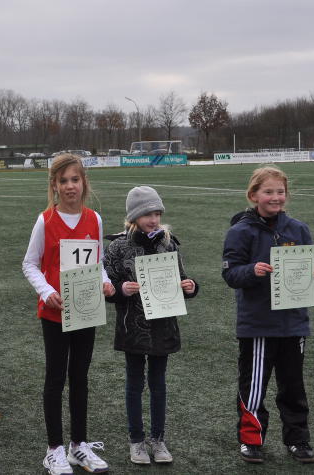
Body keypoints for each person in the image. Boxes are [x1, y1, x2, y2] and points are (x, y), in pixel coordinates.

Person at [222, 166, 314, 464]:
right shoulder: (240, 231)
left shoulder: (298, 228)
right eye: (268, 192)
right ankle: (251, 440)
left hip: (293, 323)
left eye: (280, 192)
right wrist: (251, 271)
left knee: (293, 387)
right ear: (254, 195)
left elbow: (310, 262)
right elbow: (230, 273)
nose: (275, 197)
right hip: (258, 325)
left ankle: (298, 440)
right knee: (254, 388)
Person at [22, 154, 115, 474]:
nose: (70, 186)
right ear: (55, 186)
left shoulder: (95, 219)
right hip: (55, 315)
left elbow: (98, 262)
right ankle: (54, 449)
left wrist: (105, 283)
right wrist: (47, 293)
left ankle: (79, 446)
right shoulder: (45, 220)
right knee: (55, 378)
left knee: (80, 378)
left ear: (83, 183)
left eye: (75, 180)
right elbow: (29, 264)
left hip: (85, 312)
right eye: (63, 181)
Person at [103, 186, 198, 465]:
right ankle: (136, 441)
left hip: (163, 327)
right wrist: (122, 290)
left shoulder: (168, 243)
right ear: (134, 215)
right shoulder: (118, 246)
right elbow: (107, 286)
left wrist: (190, 287)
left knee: (159, 384)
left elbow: (182, 278)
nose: (153, 219)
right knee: (134, 384)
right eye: (147, 213)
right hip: (132, 327)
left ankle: (158, 439)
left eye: (157, 213)